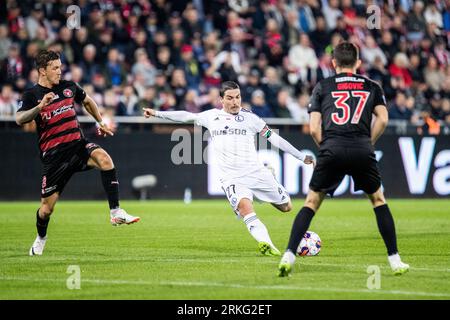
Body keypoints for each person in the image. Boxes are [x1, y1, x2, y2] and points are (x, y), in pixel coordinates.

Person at [278, 42, 410, 277]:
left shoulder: (323, 86)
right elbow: (383, 118)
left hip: (332, 148)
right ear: (358, 62)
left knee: (311, 203)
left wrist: (327, 147)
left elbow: (314, 128)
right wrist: (368, 142)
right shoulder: (372, 86)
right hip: (361, 148)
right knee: (378, 200)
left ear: (334, 63)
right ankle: (395, 261)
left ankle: (288, 255)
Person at [143, 81, 314, 256]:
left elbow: (274, 139)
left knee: (286, 207)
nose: (235, 102)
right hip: (232, 178)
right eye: (230, 98)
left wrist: (300, 156)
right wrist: (157, 113)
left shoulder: (251, 118)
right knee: (245, 209)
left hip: (256, 172)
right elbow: (186, 116)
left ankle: (269, 180)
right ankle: (267, 244)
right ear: (221, 100)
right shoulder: (211, 116)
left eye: (238, 97)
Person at [15, 50, 140, 256]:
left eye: (60, 66)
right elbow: (20, 119)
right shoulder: (31, 95)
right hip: (54, 158)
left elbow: (88, 101)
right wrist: (39, 107)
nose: (59, 70)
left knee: (104, 159)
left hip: (78, 146)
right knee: (46, 210)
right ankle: (41, 238)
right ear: (42, 71)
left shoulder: (68, 86)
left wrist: (100, 121)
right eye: (54, 67)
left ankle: (116, 212)